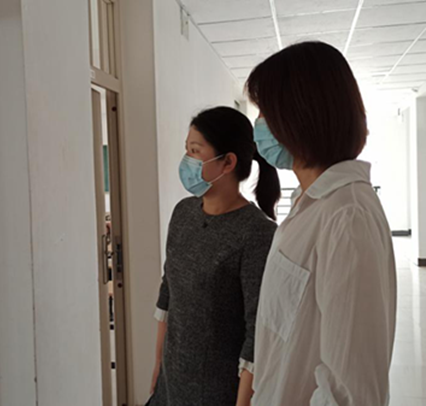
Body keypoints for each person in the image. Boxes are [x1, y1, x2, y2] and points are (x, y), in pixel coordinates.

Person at [246, 41, 397, 406]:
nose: (259, 125)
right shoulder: (310, 204)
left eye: (265, 112)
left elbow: (350, 391)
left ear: (298, 115)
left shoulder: (346, 216)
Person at [148, 107, 280, 406]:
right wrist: (158, 365)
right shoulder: (183, 213)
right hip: (170, 386)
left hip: (219, 392)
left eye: (195, 151)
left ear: (228, 162)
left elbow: (258, 330)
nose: (187, 160)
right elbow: (168, 294)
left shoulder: (257, 233)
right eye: (187, 150)